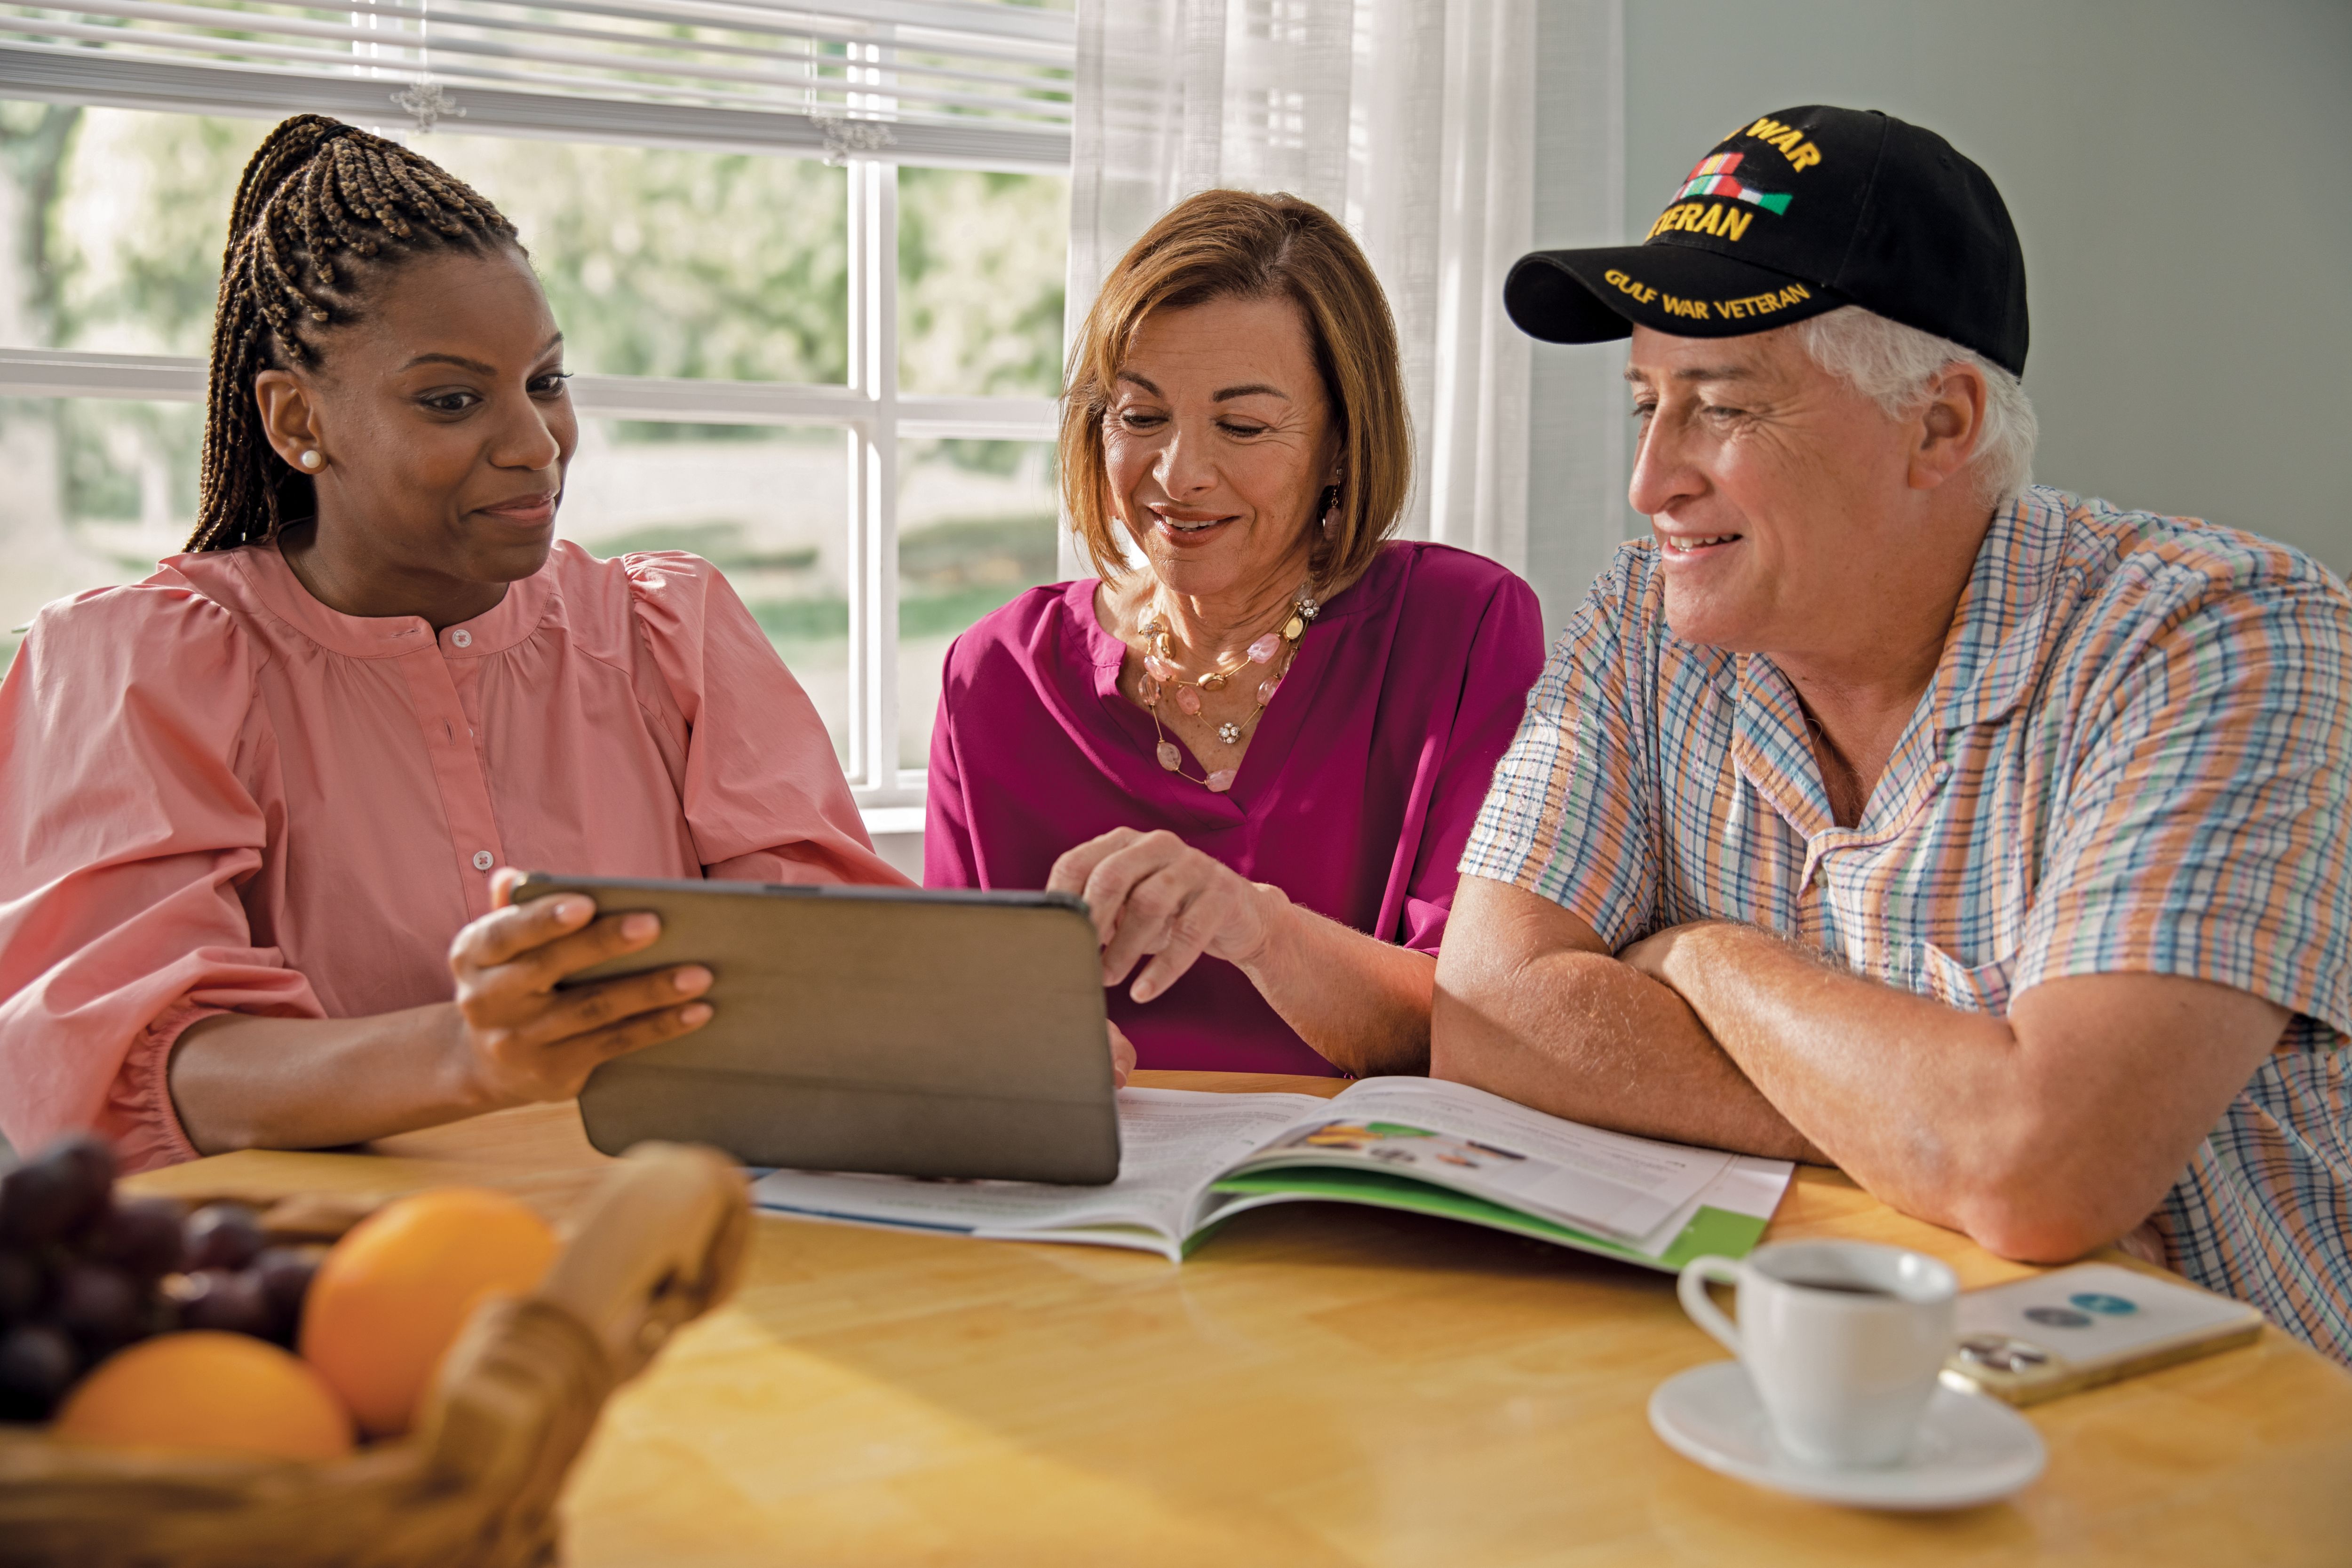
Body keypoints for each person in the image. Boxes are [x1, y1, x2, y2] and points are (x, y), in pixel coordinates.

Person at [1434, 104, 2352, 1361]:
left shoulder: (2224, 634)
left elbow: (2039, 1166)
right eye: (1645, 401)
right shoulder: (1647, 619)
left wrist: (1702, 958)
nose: (1651, 481)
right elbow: (1486, 1008)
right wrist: (1924, 1125)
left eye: (1720, 406)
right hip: (1830, 1379)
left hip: (2238, 1432)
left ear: (1941, 425)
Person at [0, 116, 908, 1172]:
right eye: (452, 400)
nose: (535, 445)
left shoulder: (673, 637)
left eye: (548, 382)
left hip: (683, 1255)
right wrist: (464, 1055)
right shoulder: (137, 669)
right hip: (322, 1287)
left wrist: (994, 1036)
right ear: (299, 421)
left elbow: (846, 985)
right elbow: (115, 1074)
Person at [926, 190, 1545, 1079]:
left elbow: (1483, 1021)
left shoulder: (1464, 627)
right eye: (1140, 417)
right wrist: (999, 1049)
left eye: (1243, 426)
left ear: (1341, 441)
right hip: (1091, 1200)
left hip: (1351, 1191)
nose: (1179, 475)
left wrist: (1253, 924)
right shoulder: (993, 674)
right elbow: (957, 1014)